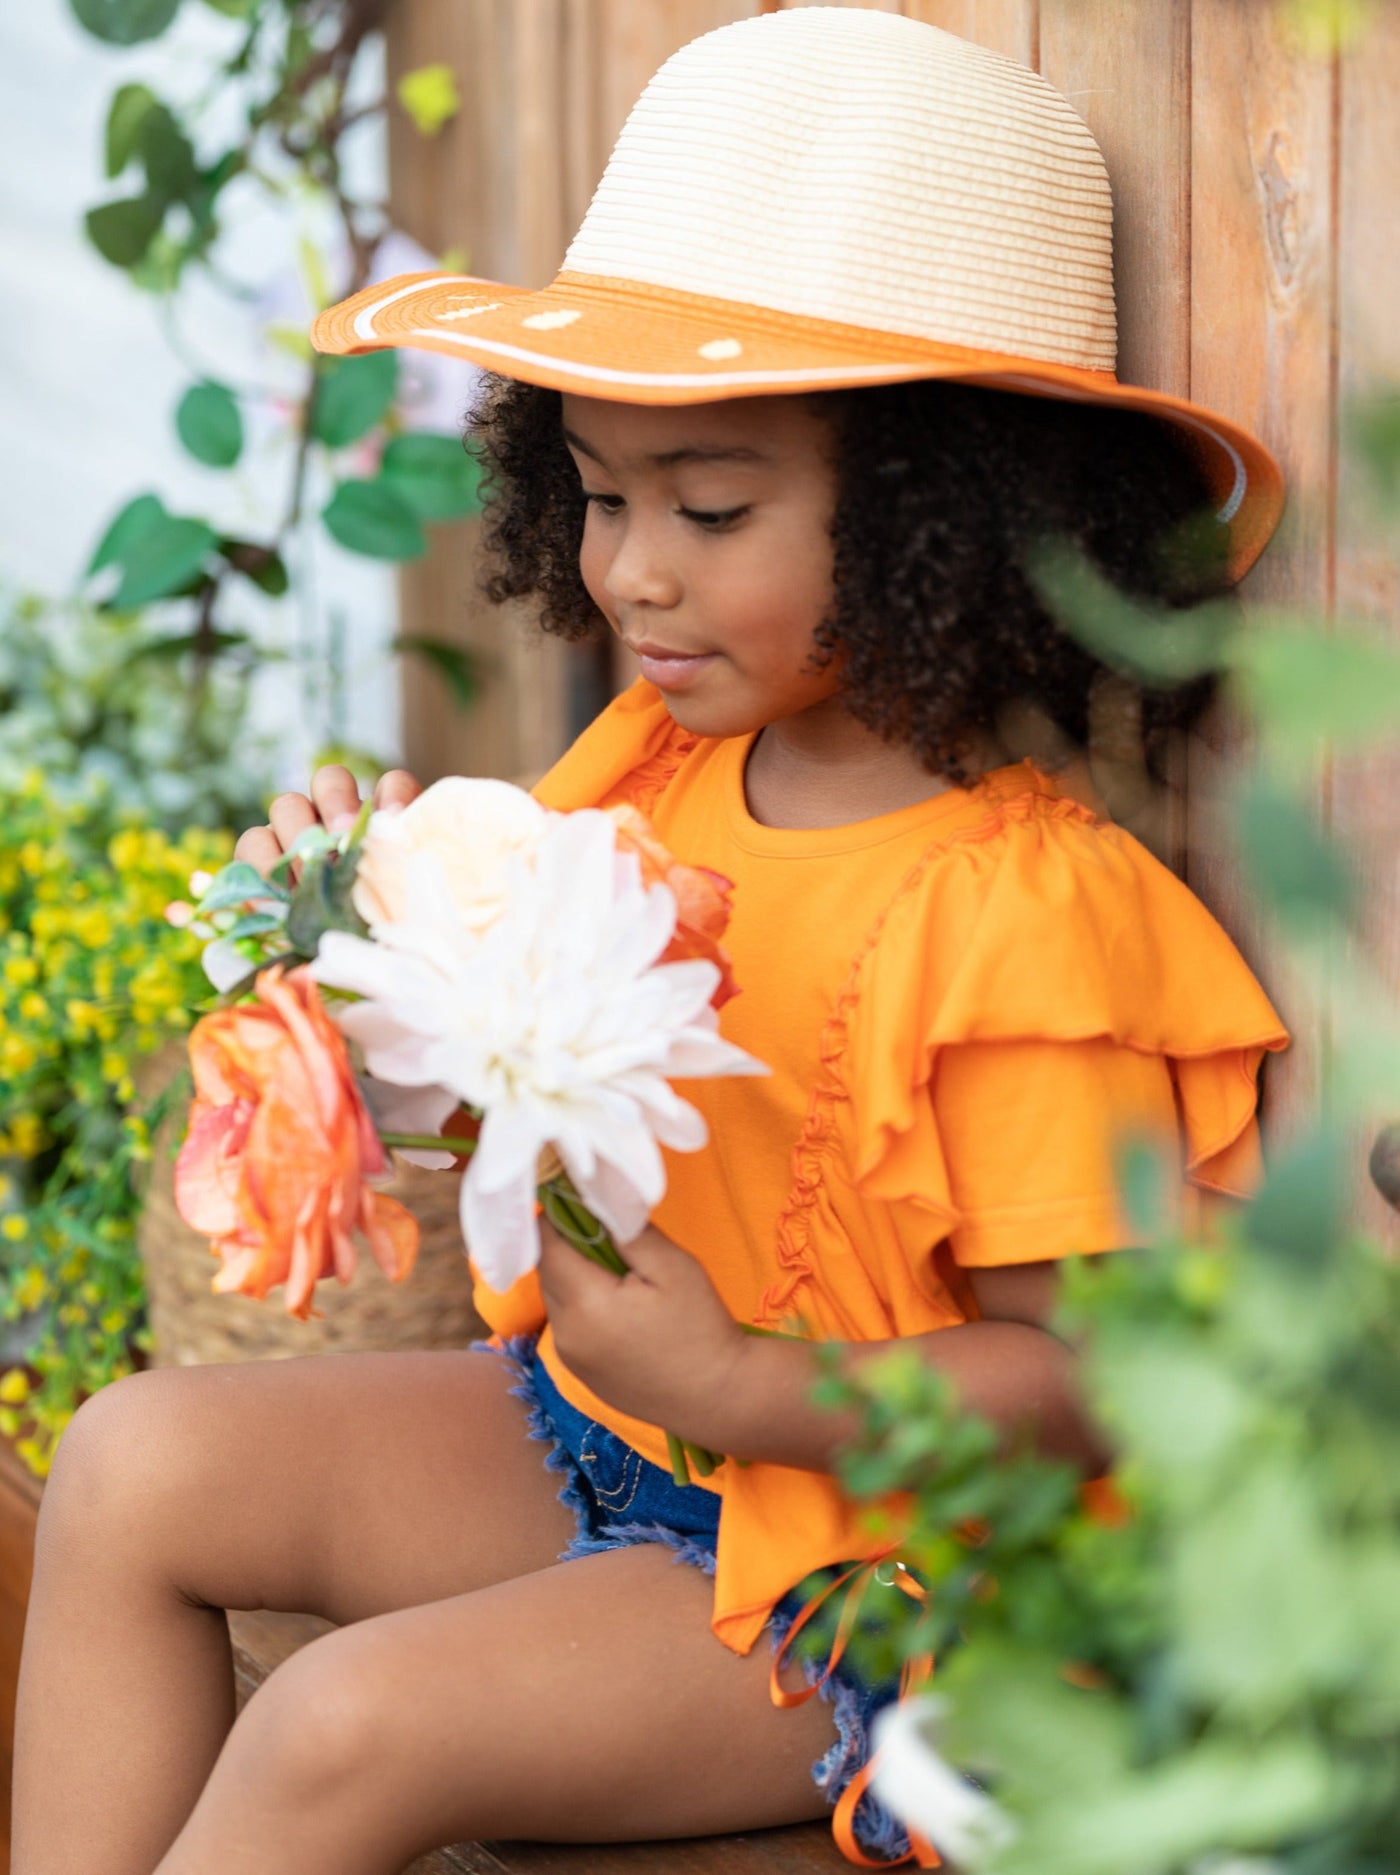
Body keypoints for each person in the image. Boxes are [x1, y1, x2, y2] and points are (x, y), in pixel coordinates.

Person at [12, 11, 1291, 1872]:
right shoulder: (659, 765)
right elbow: (534, 1114)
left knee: (343, 1723)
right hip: (620, 1437)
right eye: (601, 493)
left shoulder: (1026, 917)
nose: (629, 569)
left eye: (710, 505)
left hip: (887, 1581)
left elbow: (1093, 1390)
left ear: (948, 511)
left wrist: (746, 1391)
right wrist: (366, 966)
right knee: (131, 1458)